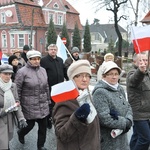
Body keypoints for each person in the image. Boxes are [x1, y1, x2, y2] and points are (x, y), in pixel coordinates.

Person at [52, 59, 101, 150]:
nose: (84, 79)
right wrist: (77, 118)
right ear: (72, 78)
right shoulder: (65, 100)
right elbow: (62, 135)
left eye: (87, 76)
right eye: (79, 76)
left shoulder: (86, 95)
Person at [92, 61, 133, 150]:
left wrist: (129, 119)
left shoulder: (119, 88)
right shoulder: (100, 92)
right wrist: (125, 122)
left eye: (116, 74)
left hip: (122, 138)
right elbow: (104, 118)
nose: (114, 77)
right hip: (109, 140)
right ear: (104, 76)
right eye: (110, 74)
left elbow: (128, 106)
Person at [15, 50, 50, 150]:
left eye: (38, 59)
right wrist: (18, 104)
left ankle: (41, 146)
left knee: (43, 127)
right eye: (34, 59)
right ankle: (21, 133)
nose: (36, 61)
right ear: (28, 60)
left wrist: (48, 100)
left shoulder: (43, 70)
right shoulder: (22, 72)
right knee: (29, 126)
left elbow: (46, 86)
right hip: (28, 105)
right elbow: (17, 89)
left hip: (43, 104)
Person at [40, 44, 68, 129]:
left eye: (55, 49)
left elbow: (64, 71)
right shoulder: (44, 60)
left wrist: (69, 79)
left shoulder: (60, 60)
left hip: (59, 87)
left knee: (58, 104)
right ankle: (49, 120)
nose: (53, 51)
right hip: (49, 87)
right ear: (48, 50)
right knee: (50, 104)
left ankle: (56, 118)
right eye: (51, 49)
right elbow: (41, 73)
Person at [0, 64, 27, 150]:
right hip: (0, 119)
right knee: (2, 143)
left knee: (5, 141)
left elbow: (16, 103)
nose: (8, 76)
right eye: (5, 73)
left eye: (10, 74)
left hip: (8, 119)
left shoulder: (13, 86)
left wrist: (21, 118)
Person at [126, 52, 150, 150]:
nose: (143, 62)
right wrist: (140, 71)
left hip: (147, 112)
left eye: (145, 60)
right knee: (145, 139)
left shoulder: (148, 74)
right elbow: (134, 80)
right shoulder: (131, 73)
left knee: (136, 136)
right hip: (139, 113)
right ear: (135, 61)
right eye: (141, 60)